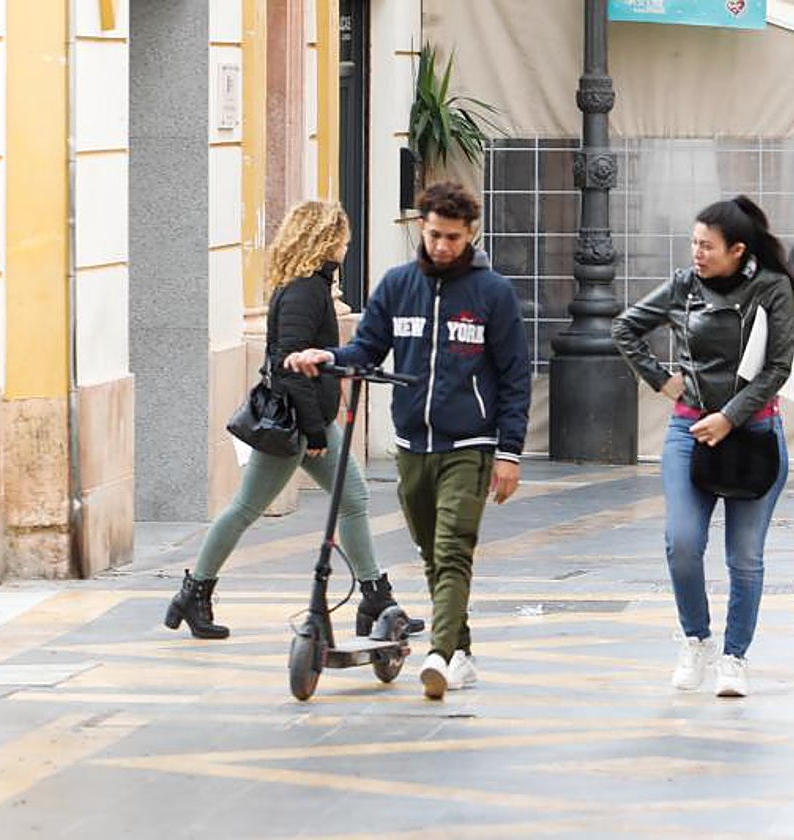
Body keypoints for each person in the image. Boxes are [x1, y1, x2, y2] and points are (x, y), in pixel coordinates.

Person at [286, 181, 531, 700]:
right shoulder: (398, 286)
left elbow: (514, 377)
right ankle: (460, 652)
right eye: (436, 234)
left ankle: (440, 655)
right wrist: (328, 359)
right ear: (422, 227)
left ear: (471, 235)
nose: (443, 246)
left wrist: (508, 454)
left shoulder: (493, 294)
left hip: (472, 442)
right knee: (430, 552)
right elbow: (368, 348)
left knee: (452, 547)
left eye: (454, 238)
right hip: (413, 444)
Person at [165, 201, 413, 640]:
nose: (348, 244)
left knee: (353, 497)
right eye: (343, 237)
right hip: (296, 424)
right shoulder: (304, 290)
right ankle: (193, 591)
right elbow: (288, 363)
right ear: (325, 240)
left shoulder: (309, 286)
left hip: (307, 419)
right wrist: (314, 429)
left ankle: (376, 597)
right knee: (245, 508)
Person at [612, 195, 794, 699]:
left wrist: (730, 417)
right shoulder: (682, 286)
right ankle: (697, 639)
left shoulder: (772, 288)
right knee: (683, 544)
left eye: (707, 246)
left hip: (754, 434)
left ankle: (735, 657)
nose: (697, 253)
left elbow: (778, 368)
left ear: (738, 250)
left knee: (745, 557)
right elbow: (625, 326)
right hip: (688, 431)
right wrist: (661, 381)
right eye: (693, 243)